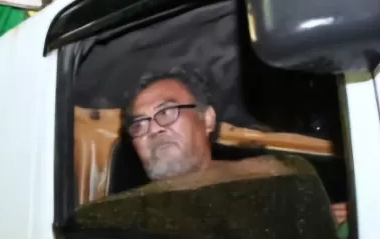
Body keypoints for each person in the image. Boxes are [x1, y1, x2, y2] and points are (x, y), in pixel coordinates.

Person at [119, 70, 348, 228]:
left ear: (207, 119)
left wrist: (327, 222)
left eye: (166, 112)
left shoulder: (272, 176)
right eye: (139, 124)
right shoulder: (122, 219)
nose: (153, 129)